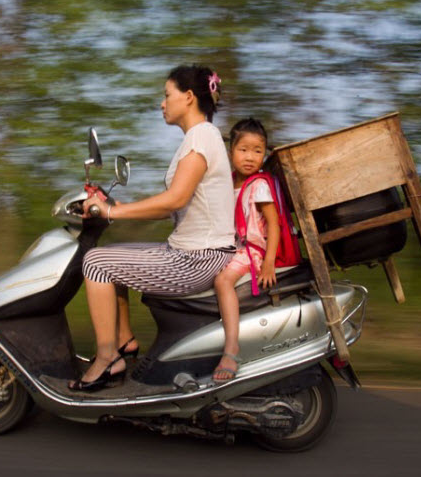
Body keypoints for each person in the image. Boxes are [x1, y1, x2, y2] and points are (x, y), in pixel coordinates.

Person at [70, 64, 235, 392]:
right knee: (109, 256)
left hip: (198, 259)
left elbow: (174, 200)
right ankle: (124, 341)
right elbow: (177, 205)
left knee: (95, 264)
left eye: (166, 95)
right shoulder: (199, 138)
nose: (162, 103)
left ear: (188, 98)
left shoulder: (201, 136)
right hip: (190, 251)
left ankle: (107, 360)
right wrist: (111, 210)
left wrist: (113, 211)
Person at [212, 118, 279, 383]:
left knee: (223, 280)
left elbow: (273, 224)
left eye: (257, 151)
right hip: (231, 247)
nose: (250, 157)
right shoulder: (227, 183)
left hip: (251, 251)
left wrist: (269, 262)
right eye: (243, 150)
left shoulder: (259, 185)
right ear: (231, 153)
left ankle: (231, 349)